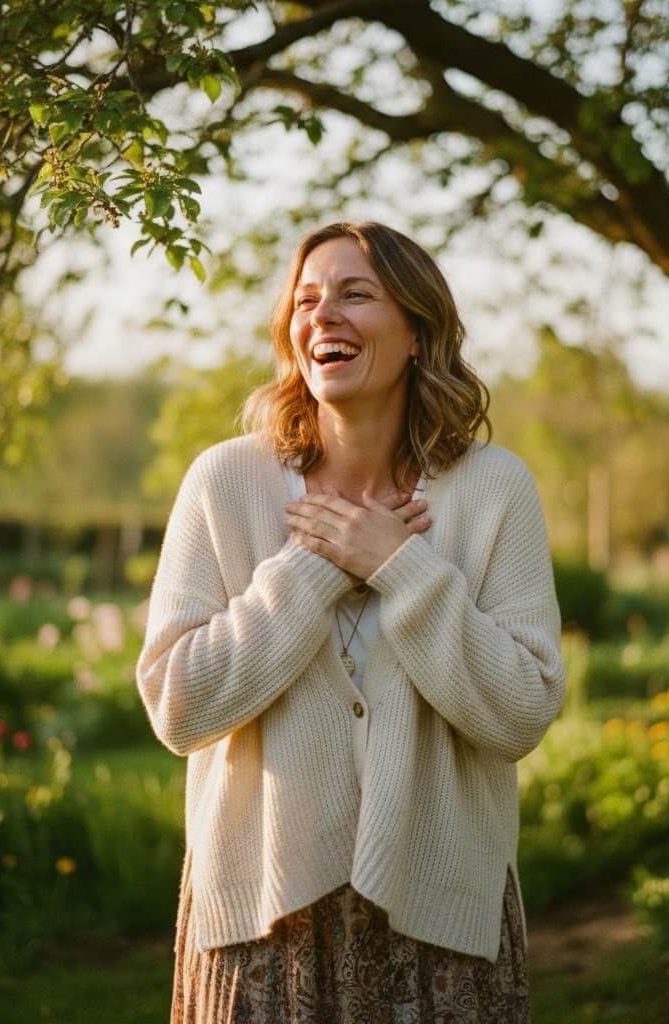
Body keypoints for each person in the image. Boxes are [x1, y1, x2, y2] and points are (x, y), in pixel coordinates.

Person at [136, 221, 566, 1023]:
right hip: (265, 919)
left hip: (439, 922)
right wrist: (316, 567)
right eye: (306, 300)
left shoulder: (495, 490)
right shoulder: (223, 483)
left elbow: (522, 710)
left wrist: (399, 567)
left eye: (354, 295)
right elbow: (177, 705)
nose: (321, 315)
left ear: (417, 332)